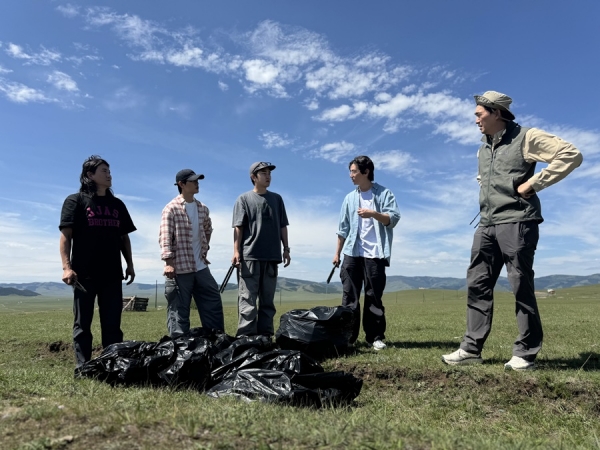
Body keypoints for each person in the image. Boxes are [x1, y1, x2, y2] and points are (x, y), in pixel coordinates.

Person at [442, 91, 583, 371]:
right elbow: (484, 178)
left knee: (520, 284)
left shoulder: (525, 137)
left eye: (479, 114)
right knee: (477, 284)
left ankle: (526, 353)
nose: (475, 119)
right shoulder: (482, 148)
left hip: (518, 221)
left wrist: (534, 184)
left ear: (496, 113)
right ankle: (471, 348)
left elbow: (571, 154)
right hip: (486, 223)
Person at [59, 155, 136, 372]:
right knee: (82, 325)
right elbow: (66, 235)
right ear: (90, 175)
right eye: (104, 171)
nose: (109, 174)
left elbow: (124, 238)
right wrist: (67, 267)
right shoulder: (75, 201)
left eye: (109, 171)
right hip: (83, 274)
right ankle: (83, 368)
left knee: (112, 324)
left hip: (112, 273)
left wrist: (129, 264)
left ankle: (112, 366)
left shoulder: (117, 205)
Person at [333, 155, 401, 350]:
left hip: (376, 253)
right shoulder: (349, 198)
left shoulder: (384, 193)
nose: (351, 175)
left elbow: (393, 219)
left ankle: (375, 338)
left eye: (354, 171)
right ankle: (348, 338)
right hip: (351, 253)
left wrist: (373, 214)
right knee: (349, 297)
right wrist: (337, 253)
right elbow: (342, 228)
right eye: (351, 171)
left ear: (366, 172)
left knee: (373, 297)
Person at [159, 169, 225, 337]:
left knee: (212, 300)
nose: (197, 183)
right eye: (193, 181)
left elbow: (208, 229)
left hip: (201, 266)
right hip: (180, 268)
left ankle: (215, 340)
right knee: (179, 310)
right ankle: (179, 348)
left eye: (198, 180)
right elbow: (165, 237)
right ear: (181, 184)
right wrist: (168, 263)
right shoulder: (171, 209)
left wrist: (205, 247)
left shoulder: (202, 208)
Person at [231, 161, 290, 338]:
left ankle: (265, 337)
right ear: (253, 177)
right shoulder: (244, 199)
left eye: (269, 173)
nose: (268, 176)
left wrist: (286, 249)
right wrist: (236, 251)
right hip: (250, 256)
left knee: (267, 302)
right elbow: (238, 227)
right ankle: (246, 339)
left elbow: (282, 226)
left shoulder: (277, 199)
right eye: (263, 173)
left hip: (272, 257)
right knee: (248, 301)